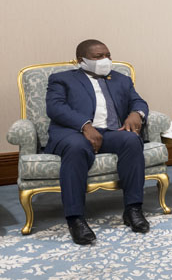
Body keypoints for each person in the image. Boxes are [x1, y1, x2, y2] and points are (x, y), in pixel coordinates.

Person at [44, 39, 150, 245]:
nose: (105, 60)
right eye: (98, 56)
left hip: (111, 132)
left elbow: (138, 101)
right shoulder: (62, 79)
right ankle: (75, 219)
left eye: (108, 55)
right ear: (81, 60)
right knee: (76, 147)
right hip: (75, 133)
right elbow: (55, 108)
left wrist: (136, 113)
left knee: (131, 140)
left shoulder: (121, 79)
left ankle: (133, 209)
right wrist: (85, 125)